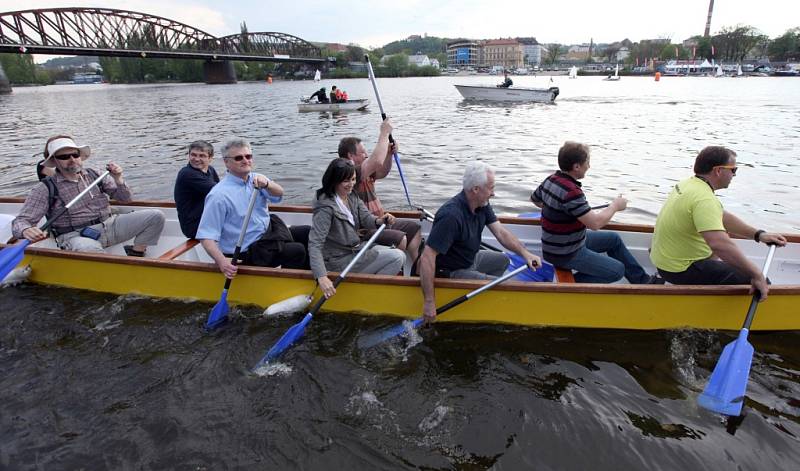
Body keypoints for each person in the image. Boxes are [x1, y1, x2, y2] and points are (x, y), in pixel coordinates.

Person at [650, 146, 787, 300]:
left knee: (724, 242)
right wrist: (756, 274)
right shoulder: (704, 199)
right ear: (718, 171)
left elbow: (721, 216)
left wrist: (759, 235)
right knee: (762, 282)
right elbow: (719, 244)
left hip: (666, 261)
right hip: (680, 269)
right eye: (733, 170)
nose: (734, 175)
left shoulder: (688, 184)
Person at [419, 162, 541, 321]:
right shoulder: (451, 216)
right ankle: (489, 302)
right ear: (476, 189)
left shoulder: (482, 204)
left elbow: (501, 233)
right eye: (491, 188)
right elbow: (427, 258)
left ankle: (484, 298)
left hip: (469, 259)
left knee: (504, 259)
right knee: (507, 286)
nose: (494, 193)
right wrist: (429, 301)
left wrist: (525, 253)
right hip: (450, 271)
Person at [11, 135, 165, 256]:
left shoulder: (95, 174)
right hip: (75, 236)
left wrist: (118, 179)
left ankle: (136, 253)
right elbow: (21, 222)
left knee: (155, 216)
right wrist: (25, 230)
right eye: (64, 157)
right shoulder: (44, 188)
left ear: (80, 155)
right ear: (54, 161)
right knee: (89, 248)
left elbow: (126, 199)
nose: (72, 159)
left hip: (109, 225)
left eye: (74, 154)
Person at [531, 141, 652, 284]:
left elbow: (535, 200)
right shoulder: (572, 192)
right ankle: (568, 286)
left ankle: (643, 282)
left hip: (563, 244)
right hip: (566, 253)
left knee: (613, 240)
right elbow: (595, 224)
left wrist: (560, 211)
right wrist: (615, 206)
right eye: (587, 162)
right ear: (576, 166)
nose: (589, 166)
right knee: (617, 270)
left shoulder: (551, 179)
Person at [196, 138, 307, 278]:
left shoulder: (257, 179)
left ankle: (315, 278)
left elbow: (279, 193)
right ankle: (288, 284)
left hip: (267, 236)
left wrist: (267, 184)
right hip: (246, 251)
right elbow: (206, 237)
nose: (245, 160)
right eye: (238, 158)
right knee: (297, 250)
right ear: (226, 162)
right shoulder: (218, 195)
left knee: (306, 232)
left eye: (248, 156)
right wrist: (222, 262)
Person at [309, 158, 406, 298]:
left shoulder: (351, 196)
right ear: (334, 181)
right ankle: (373, 295)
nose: (351, 184)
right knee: (397, 257)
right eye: (346, 181)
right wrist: (322, 277)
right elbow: (315, 244)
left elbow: (366, 219)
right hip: (337, 261)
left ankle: (371, 288)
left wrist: (379, 220)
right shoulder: (325, 208)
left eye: (353, 179)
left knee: (398, 253)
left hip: (355, 250)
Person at [338, 119, 422, 270]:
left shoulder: (365, 171)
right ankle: (396, 276)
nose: (366, 155)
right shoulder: (349, 172)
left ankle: (418, 269)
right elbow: (376, 161)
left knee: (414, 229)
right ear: (350, 156)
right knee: (400, 239)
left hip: (381, 221)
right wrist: (384, 133)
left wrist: (389, 154)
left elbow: (382, 171)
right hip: (364, 229)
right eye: (362, 152)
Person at [174, 140, 219, 239]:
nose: (197, 159)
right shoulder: (187, 174)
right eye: (193, 155)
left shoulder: (210, 170)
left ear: (210, 158)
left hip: (208, 219)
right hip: (194, 226)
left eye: (202, 156)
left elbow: (222, 192)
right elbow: (220, 191)